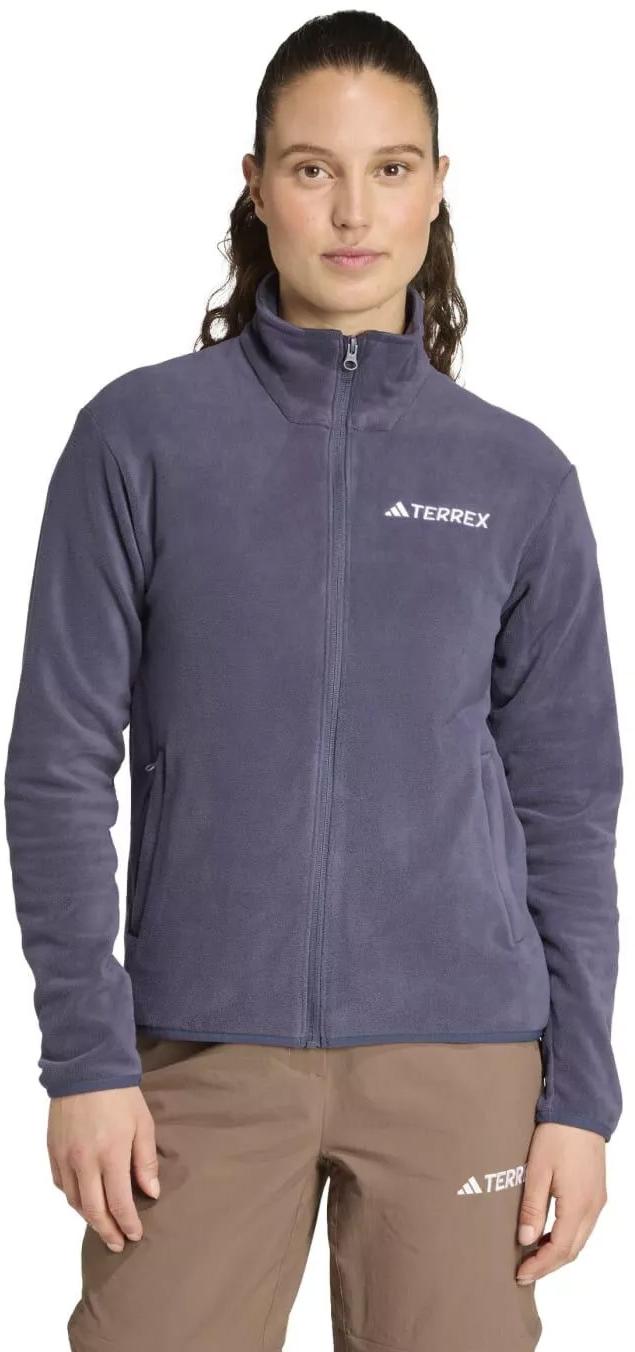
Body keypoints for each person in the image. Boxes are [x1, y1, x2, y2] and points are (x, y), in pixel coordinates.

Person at [4, 10, 623, 1351]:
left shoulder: (518, 478)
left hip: (464, 1062)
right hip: (198, 1059)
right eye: (312, 168)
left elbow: (570, 806)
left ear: (437, 188)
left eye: (391, 169)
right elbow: (56, 763)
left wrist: (581, 1095)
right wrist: (86, 1056)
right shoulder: (139, 439)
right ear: (255, 184)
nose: (353, 211)